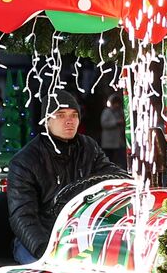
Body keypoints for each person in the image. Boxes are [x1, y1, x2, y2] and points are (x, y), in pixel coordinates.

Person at [7, 90, 128, 263]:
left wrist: (129, 181)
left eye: (74, 115)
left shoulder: (88, 147)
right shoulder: (24, 162)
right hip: (38, 240)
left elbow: (111, 173)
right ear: (46, 121)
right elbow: (22, 216)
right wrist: (46, 250)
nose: (69, 121)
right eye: (60, 115)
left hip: (83, 235)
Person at [98, 93, 126, 166]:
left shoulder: (119, 112)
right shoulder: (106, 112)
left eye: (118, 103)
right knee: (109, 158)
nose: (117, 105)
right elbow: (104, 124)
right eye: (115, 103)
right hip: (109, 141)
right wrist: (116, 122)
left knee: (118, 158)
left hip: (118, 141)